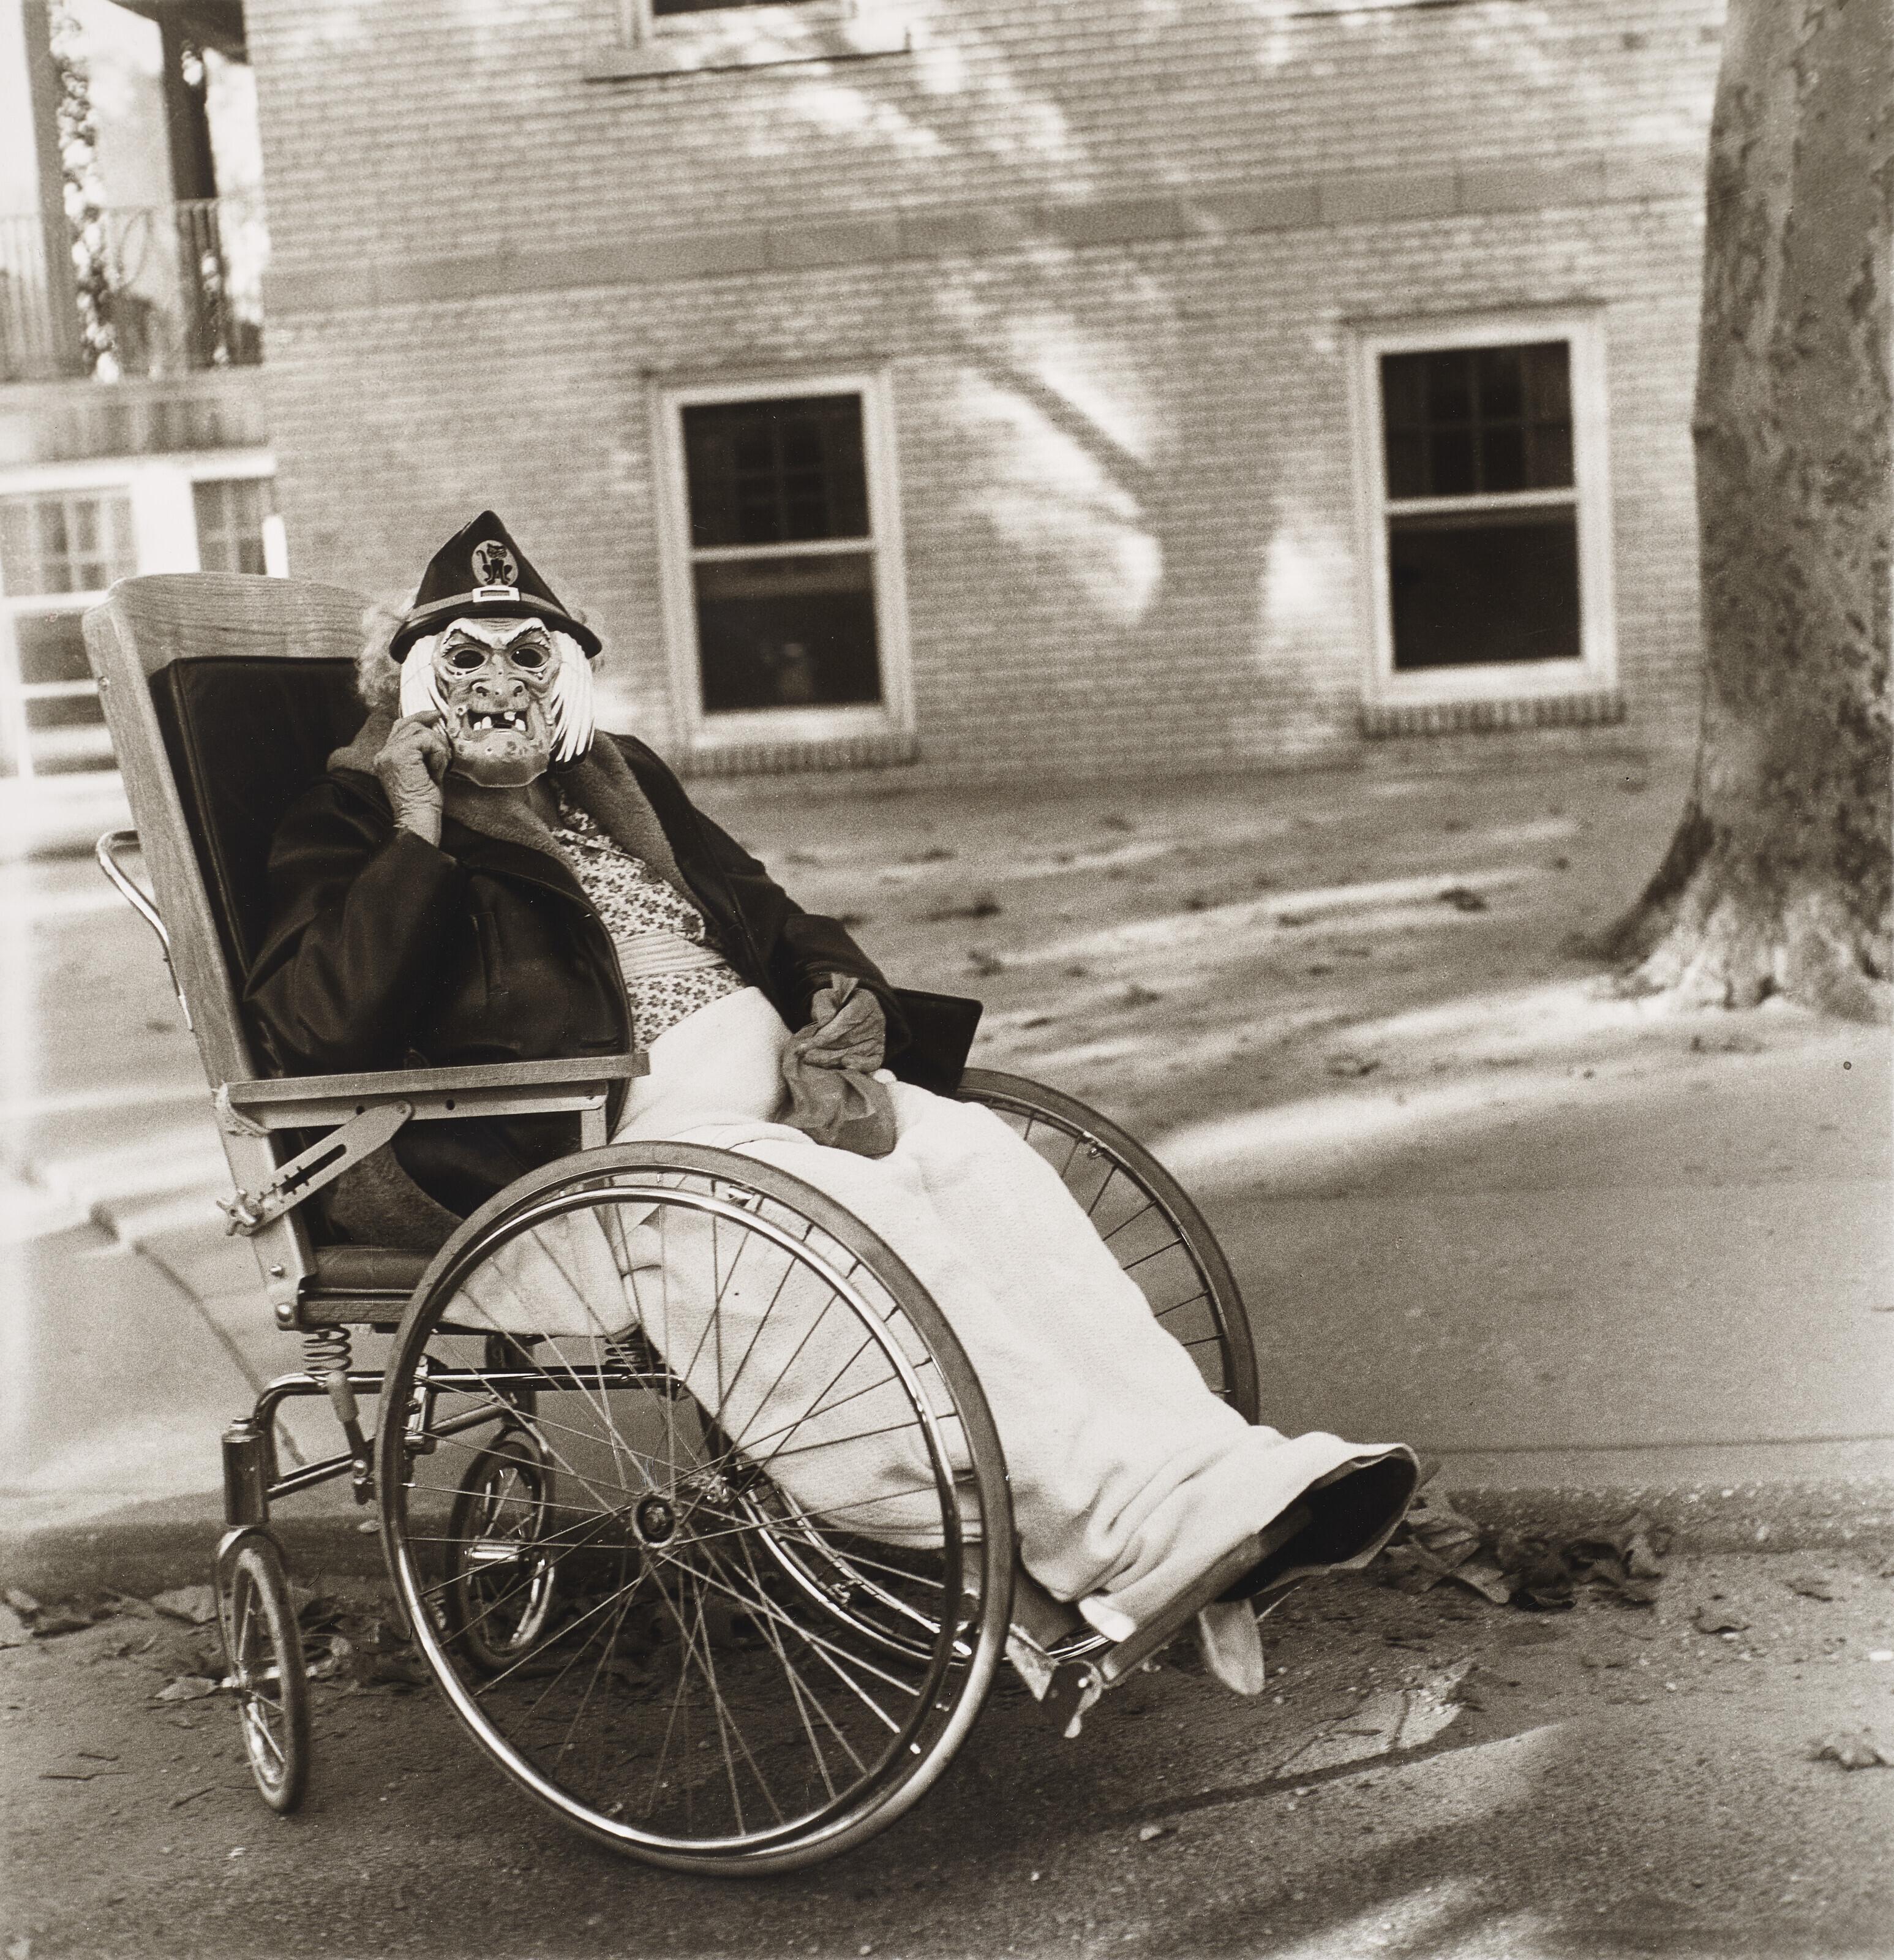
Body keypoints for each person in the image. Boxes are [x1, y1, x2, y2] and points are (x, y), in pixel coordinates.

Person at [248, 513, 1416, 1689]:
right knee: (877, 1237)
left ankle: (1214, 1484)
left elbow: (767, 910)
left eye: (525, 658)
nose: (496, 686)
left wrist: (834, 989)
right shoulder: (356, 815)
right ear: (408, 687)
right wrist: (416, 833)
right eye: (464, 661)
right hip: (561, 1163)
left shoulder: (616, 776)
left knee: (976, 1160)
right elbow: (320, 1027)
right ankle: (1116, 1536)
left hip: (757, 1121)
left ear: (565, 677)